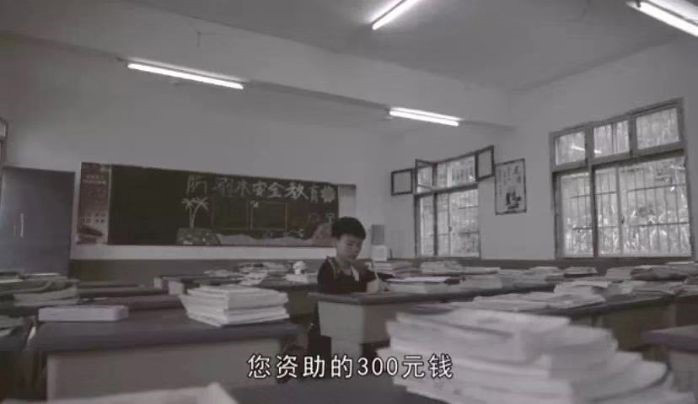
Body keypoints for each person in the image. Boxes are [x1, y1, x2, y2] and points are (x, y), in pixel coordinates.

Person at [307, 217, 379, 361]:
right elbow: (332, 303)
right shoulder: (328, 268)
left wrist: (369, 275)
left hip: (352, 327)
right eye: (350, 244)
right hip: (327, 332)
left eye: (359, 245)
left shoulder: (358, 269)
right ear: (335, 241)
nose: (355, 250)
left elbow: (374, 283)